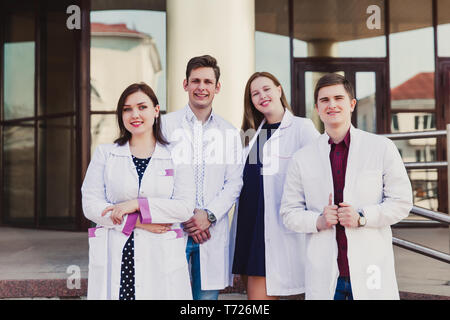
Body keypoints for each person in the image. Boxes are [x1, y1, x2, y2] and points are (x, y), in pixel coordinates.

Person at [280, 73, 413, 300]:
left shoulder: (381, 147)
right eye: (324, 100)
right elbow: (288, 213)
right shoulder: (302, 158)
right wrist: (318, 220)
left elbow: (401, 202)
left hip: (371, 271)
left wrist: (362, 217)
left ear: (351, 104)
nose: (331, 105)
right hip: (326, 277)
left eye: (338, 98)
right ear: (317, 108)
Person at [82, 83, 195, 300]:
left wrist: (135, 204)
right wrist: (137, 222)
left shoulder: (176, 155)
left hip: (160, 254)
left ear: (155, 110)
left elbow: (184, 207)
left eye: (142, 107)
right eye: (127, 109)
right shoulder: (105, 154)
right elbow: (91, 204)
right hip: (117, 251)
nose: (135, 114)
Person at [230, 71, 319, 300]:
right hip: (251, 224)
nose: (262, 96)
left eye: (266, 89)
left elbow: (318, 173)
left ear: (279, 90)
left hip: (278, 224)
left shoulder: (302, 127)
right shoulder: (249, 134)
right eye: (255, 93)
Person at [161, 55, 243, 300]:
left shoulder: (229, 132)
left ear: (217, 87)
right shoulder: (164, 126)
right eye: (195, 81)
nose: (201, 87)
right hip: (173, 228)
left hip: (211, 231)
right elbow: (160, 177)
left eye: (208, 81)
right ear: (185, 84)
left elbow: (234, 182)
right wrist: (187, 215)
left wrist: (208, 215)